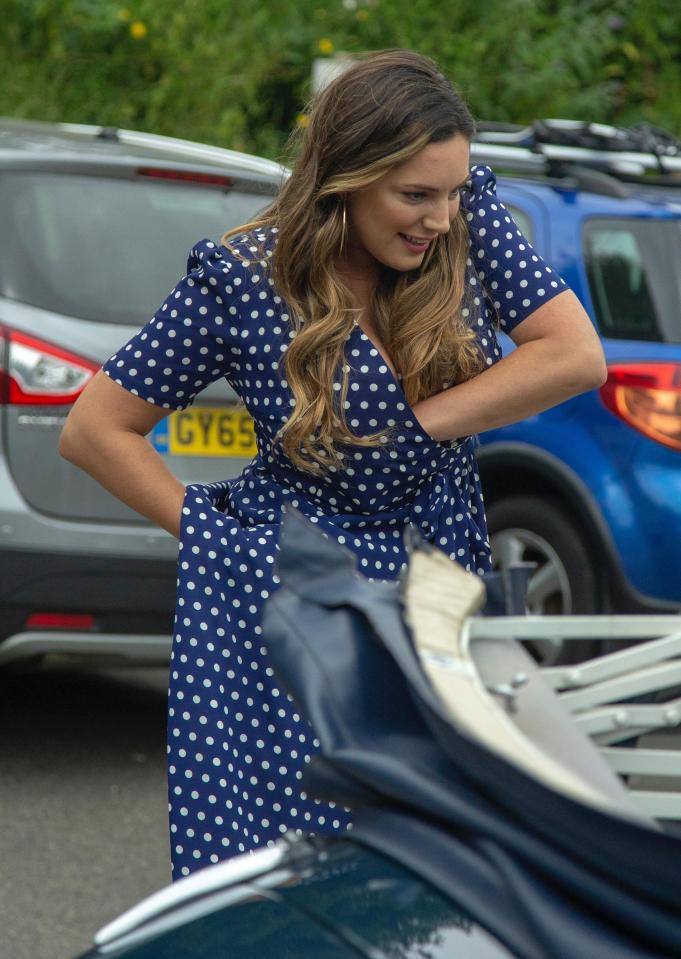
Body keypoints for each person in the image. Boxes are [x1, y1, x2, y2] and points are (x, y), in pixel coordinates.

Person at [59, 49, 606, 880]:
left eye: (450, 191)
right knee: (287, 866)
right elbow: (96, 429)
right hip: (291, 597)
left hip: (433, 586)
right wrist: (217, 538)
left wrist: (419, 425)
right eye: (413, 195)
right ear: (346, 178)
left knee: (436, 862)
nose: (437, 217)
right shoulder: (245, 278)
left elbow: (573, 355)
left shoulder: (469, 223)